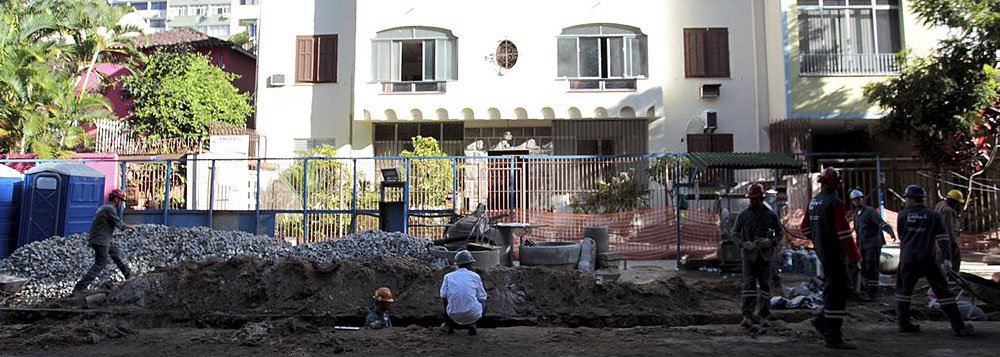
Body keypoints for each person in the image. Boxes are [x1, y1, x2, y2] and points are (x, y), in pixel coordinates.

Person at [895, 185, 974, 336]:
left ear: (910, 199)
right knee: (943, 292)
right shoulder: (933, 215)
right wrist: (947, 258)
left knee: (903, 291)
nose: (906, 201)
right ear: (922, 199)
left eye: (906, 198)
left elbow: (901, 235)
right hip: (928, 259)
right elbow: (943, 238)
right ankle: (958, 327)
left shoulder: (903, 215)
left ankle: (903, 324)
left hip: (908, 258)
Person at [799, 168, 861, 350]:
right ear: (837, 185)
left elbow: (804, 228)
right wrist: (855, 257)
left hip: (823, 253)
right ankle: (833, 335)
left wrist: (819, 239)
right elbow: (844, 234)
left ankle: (822, 321)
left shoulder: (814, 201)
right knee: (838, 293)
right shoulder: (835, 203)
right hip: (835, 254)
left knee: (832, 289)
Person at [732, 184, 782, 329]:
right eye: (752, 199)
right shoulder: (743, 215)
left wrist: (770, 242)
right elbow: (735, 233)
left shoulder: (770, 215)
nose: (753, 202)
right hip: (749, 257)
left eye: (756, 199)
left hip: (765, 257)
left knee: (765, 285)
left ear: (761, 198)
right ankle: (747, 315)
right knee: (749, 285)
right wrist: (744, 243)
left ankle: (763, 315)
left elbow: (779, 232)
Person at [72, 189, 134, 294]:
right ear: (116, 199)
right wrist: (128, 227)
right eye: (120, 201)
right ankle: (80, 287)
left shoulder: (104, 207)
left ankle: (129, 277)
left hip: (103, 239)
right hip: (101, 240)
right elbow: (118, 222)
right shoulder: (110, 209)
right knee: (101, 263)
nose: (120, 204)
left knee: (116, 253)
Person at [850, 189, 896, 301]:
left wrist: (890, 232)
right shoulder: (856, 215)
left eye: (859, 199)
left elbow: (881, 223)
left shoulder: (870, 212)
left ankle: (872, 292)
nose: (857, 201)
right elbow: (858, 230)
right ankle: (866, 288)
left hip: (873, 243)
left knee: (871, 266)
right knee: (864, 267)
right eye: (855, 200)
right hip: (863, 244)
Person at [438, 250, 488, 336]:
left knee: (445, 299)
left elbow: (443, 295)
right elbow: (483, 296)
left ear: (457, 264)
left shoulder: (448, 276)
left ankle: (449, 325)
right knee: (484, 303)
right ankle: (472, 324)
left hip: (453, 314)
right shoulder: (475, 276)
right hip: (473, 315)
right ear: (470, 264)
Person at [935, 189, 964, 272]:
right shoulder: (948, 211)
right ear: (954, 202)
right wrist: (953, 244)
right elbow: (948, 229)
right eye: (958, 203)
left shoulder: (940, 205)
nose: (958, 206)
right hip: (947, 243)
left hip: (938, 242)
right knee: (953, 266)